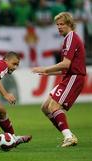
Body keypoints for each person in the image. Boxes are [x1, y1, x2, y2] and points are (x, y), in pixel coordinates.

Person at [32, 12, 86, 147]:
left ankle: (68, 136)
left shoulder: (71, 37)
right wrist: (49, 74)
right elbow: (65, 68)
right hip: (69, 76)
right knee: (45, 107)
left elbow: (66, 64)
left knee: (53, 106)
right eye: (57, 25)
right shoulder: (68, 38)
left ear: (69, 24)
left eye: (62, 24)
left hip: (74, 78)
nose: (59, 27)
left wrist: (45, 69)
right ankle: (67, 134)